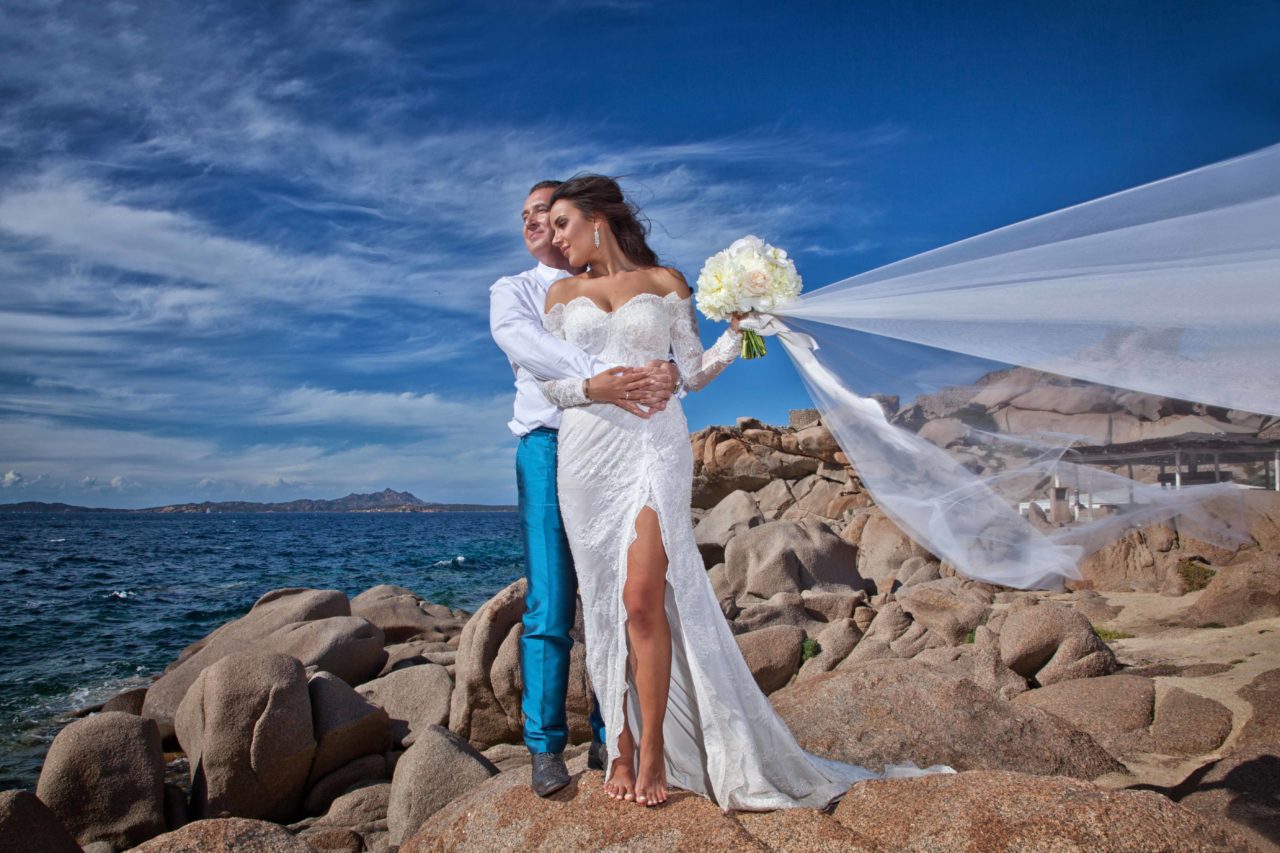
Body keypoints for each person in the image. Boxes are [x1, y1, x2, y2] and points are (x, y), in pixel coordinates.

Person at [535, 175, 924, 810]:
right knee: (604, 601)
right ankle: (622, 742)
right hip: (586, 451)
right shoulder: (560, 293)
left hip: (653, 444)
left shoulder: (666, 284)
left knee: (641, 599)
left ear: (598, 220)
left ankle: (655, 749)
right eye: (549, 227)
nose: (553, 238)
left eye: (562, 224)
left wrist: (740, 330)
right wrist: (596, 388)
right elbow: (547, 381)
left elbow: (690, 373)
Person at [488, 179, 680, 797]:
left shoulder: (626, 277)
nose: (535, 223)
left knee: (626, 592)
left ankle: (611, 732)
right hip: (553, 447)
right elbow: (530, 351)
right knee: (553, 598)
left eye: (545, 212)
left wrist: (670, 366)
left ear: (583, 220)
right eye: (527, 215)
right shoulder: (516, 290)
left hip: (634, 444)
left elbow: (684, 358)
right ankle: (545, 746)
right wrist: (610, 376)